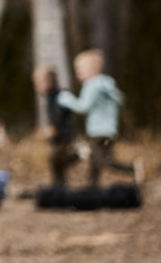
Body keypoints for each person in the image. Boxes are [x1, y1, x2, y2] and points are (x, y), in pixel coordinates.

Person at [56, 49, 140, 186]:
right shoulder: (107, 84)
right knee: (95, 161)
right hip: (109, 129)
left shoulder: (92, 85)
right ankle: (93, 186)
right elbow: (120, 100)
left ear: (94, 69)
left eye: (80, 69)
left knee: (103, 160)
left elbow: (83, 106)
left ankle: (132, 169)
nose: (78, 72)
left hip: (99, 130)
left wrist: (67, 99)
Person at [32, 64, 79, 187]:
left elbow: (60, 113)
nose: (36, 86)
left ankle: (78, 155)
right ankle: (59, 186)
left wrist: (53, 128)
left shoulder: (59, 95)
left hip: (63, 134)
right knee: (56, 162)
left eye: (38, 82)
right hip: (58, 136)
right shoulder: (49, 96)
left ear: (48, 81)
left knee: (57, 160)